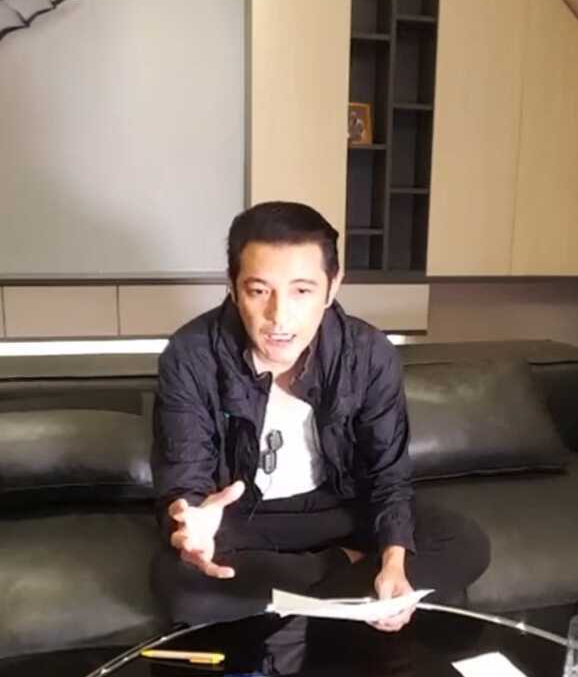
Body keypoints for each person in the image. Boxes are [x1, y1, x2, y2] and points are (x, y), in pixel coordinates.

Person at [151, 201, 489, 634]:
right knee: (180, 584)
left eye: (302, 291)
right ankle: (345, 577)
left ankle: (299, 601)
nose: (279, 317)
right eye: (259, 291)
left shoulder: (368, 354)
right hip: (247, 519)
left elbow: (389, 476)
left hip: (341, 509)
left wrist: (393, 561)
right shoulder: (191, 355)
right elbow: (185, 478)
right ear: (233, 288)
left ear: (332, 287)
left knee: (462, 540)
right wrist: (192, 525)